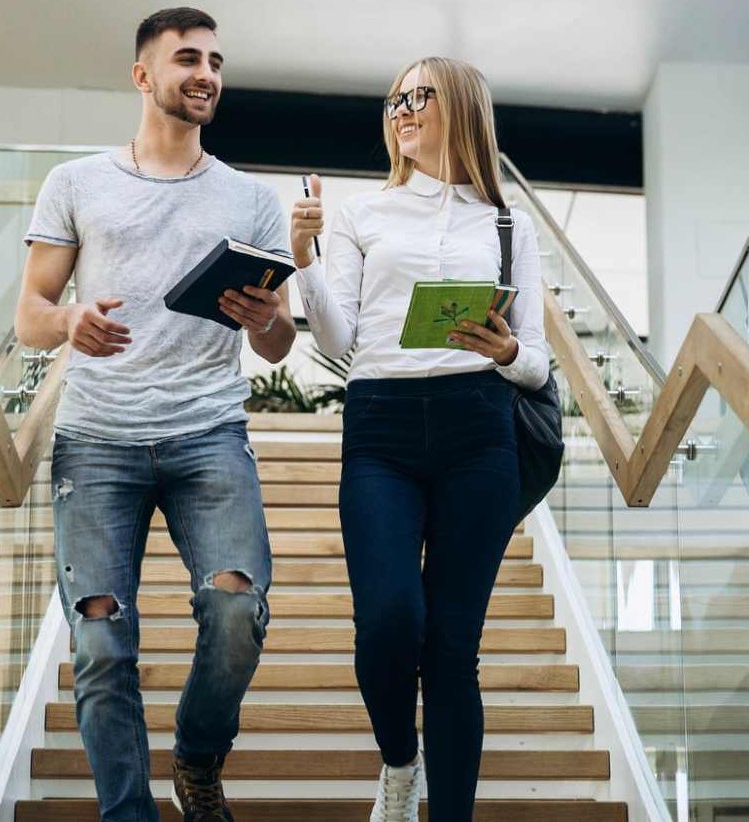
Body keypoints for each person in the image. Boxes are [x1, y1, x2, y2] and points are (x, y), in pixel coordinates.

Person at [14, 7, 294, 822]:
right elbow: (29, 313)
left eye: (214, 60)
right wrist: (69, 322)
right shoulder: (77, 182)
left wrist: (262, 319)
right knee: (100, 642)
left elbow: (278, 347)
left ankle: (199, 757)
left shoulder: (251, 198)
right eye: (186, 59)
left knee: (238, 610)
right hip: (97, 438)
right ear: (144, 76)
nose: (205, 73)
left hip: (209, 430)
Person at [289, 57, 550, 822]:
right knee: (391, 619)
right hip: (382, 427)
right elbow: (336, 340)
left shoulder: (509, 225)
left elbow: (533, 362)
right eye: (395, 98)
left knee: (452, 650)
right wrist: (304, 257)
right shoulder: (366, 217)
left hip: (480, 428)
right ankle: (400, 762)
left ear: (460, 108)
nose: (402, 110)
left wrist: (505, 352)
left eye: (419, 96)